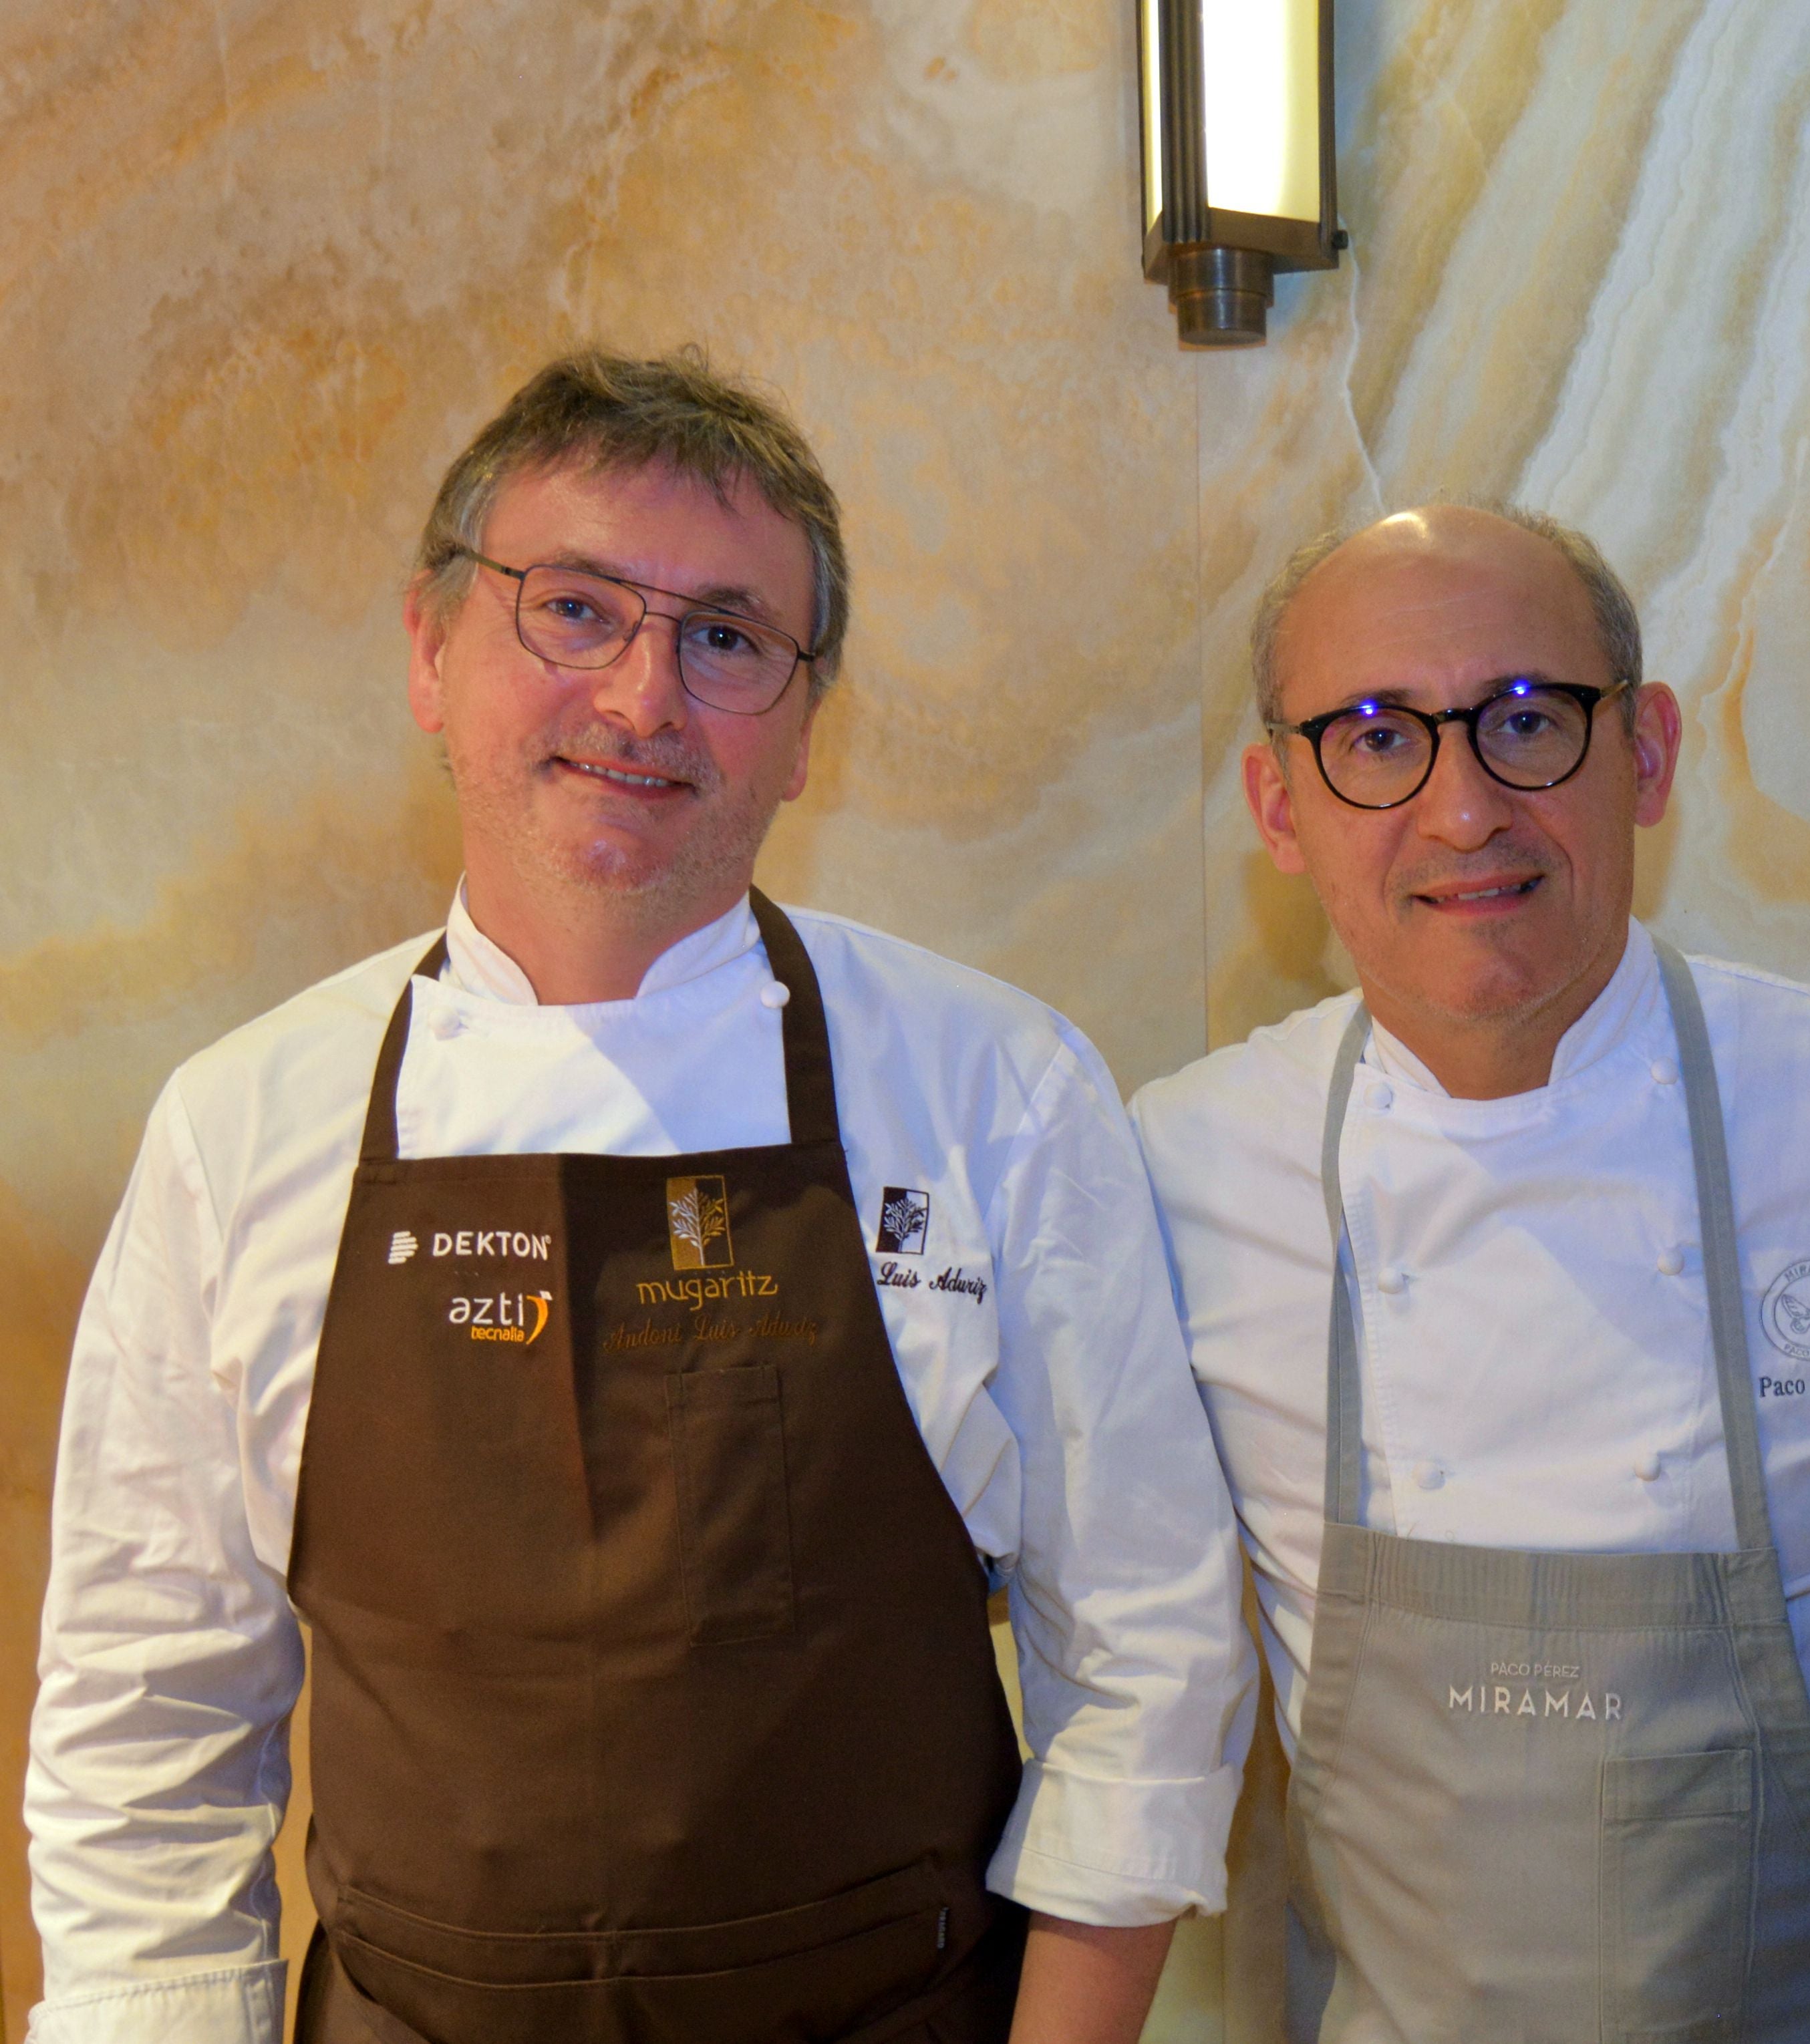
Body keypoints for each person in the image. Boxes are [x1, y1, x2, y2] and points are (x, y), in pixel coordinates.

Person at [26, 350, 1255, 2044]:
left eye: (728, 637)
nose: (643, 697)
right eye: (577, 611)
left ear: (805, 727)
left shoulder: (998, 1093)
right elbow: (147, 1730)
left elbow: (1150, 1657)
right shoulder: (242, 1128)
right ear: (432, 655)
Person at [1130, 504, 1810, 2043]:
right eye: (1375, 737)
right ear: (1278, 806)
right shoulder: (1179, 1176)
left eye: (1528, 721)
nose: (1463, 812)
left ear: (1646, 755)